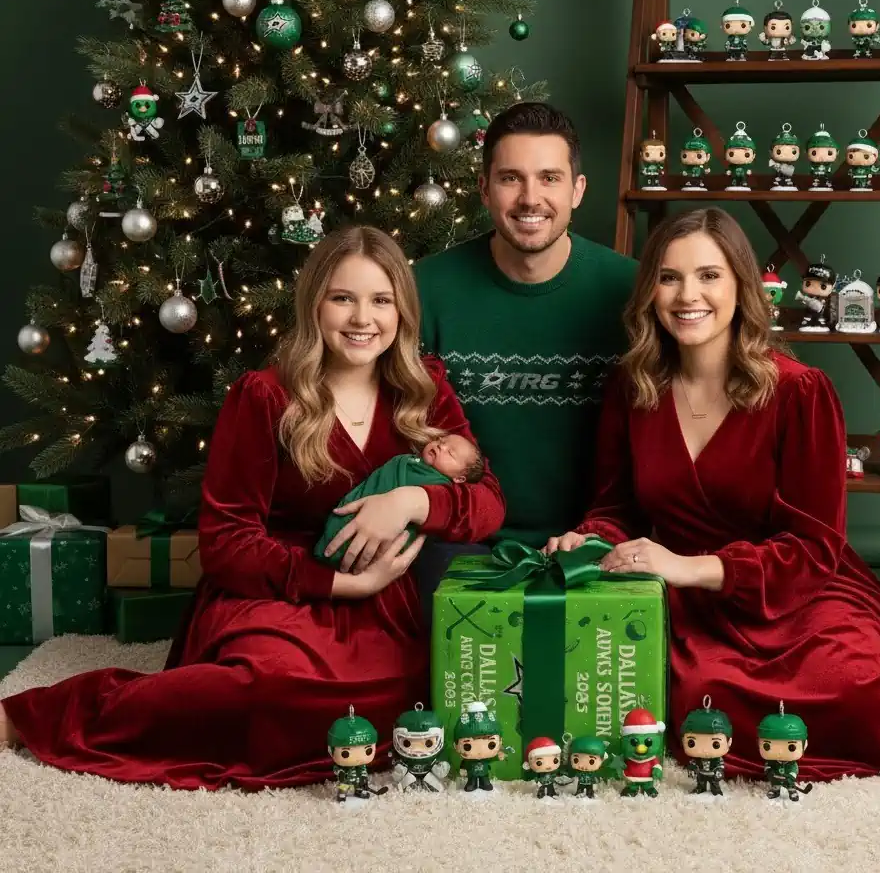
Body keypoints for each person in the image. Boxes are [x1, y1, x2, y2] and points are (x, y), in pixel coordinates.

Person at [0, 226, 504, 789]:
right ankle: (43, 713)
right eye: (343, 298)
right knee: (263, 690)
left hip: (384, 602)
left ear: (402, 310)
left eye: (381, 300)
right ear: (314, 304)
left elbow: (487, 502)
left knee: (401, 705)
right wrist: (340, 585)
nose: (363, 318)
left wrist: (412, 500)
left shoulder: (424, 387)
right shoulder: (264, 396)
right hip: (276, 591)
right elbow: (226, 544)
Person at [545, 207, 880, 780]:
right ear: (649, 291)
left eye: (708, 275)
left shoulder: (800, 391)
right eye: (669, 277)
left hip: (800, 591)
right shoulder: (633, 385)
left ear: (742, 286)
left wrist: (691, 566)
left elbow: (816, 548)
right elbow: (616, 507)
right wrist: (589, 538)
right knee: (702, 708)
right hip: (690, 600)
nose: (686, 295)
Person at [413, 102, 638, 607]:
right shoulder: (424, 288)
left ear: (577, 190)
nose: (530, 198)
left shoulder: (633, 289)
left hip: (598, 538)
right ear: (484, 188)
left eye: (550, 178)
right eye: (511, 178)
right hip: (459, 538)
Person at [312, 432, 486, 565]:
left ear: (460, 478)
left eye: (451, 453)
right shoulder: (409, 460)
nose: (441, 447)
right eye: (441, 441)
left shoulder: (439, 486)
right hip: (355, 507)